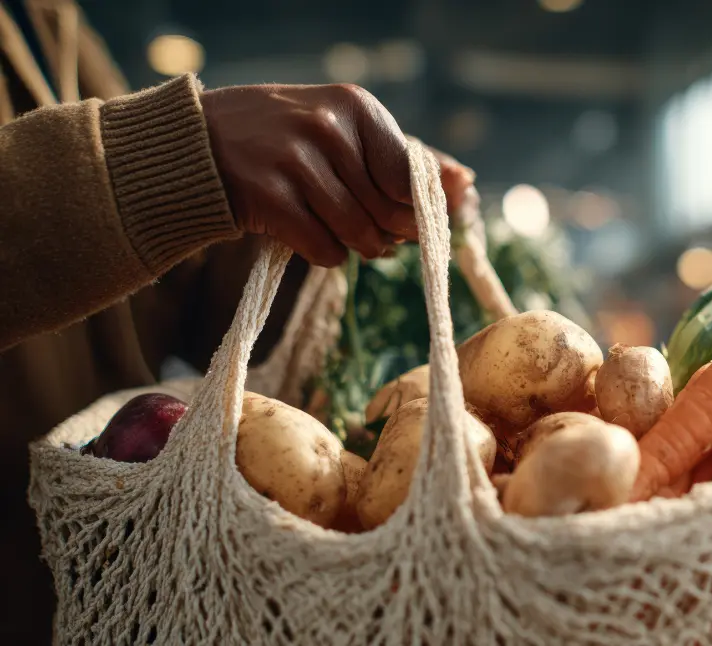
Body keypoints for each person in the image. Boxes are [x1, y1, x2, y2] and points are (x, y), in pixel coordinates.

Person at [0, 2, 476, 641]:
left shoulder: (43, 17)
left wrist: (313, 203)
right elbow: (140, 177)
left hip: (104, 579)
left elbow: (160, 297)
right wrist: (183, 159)